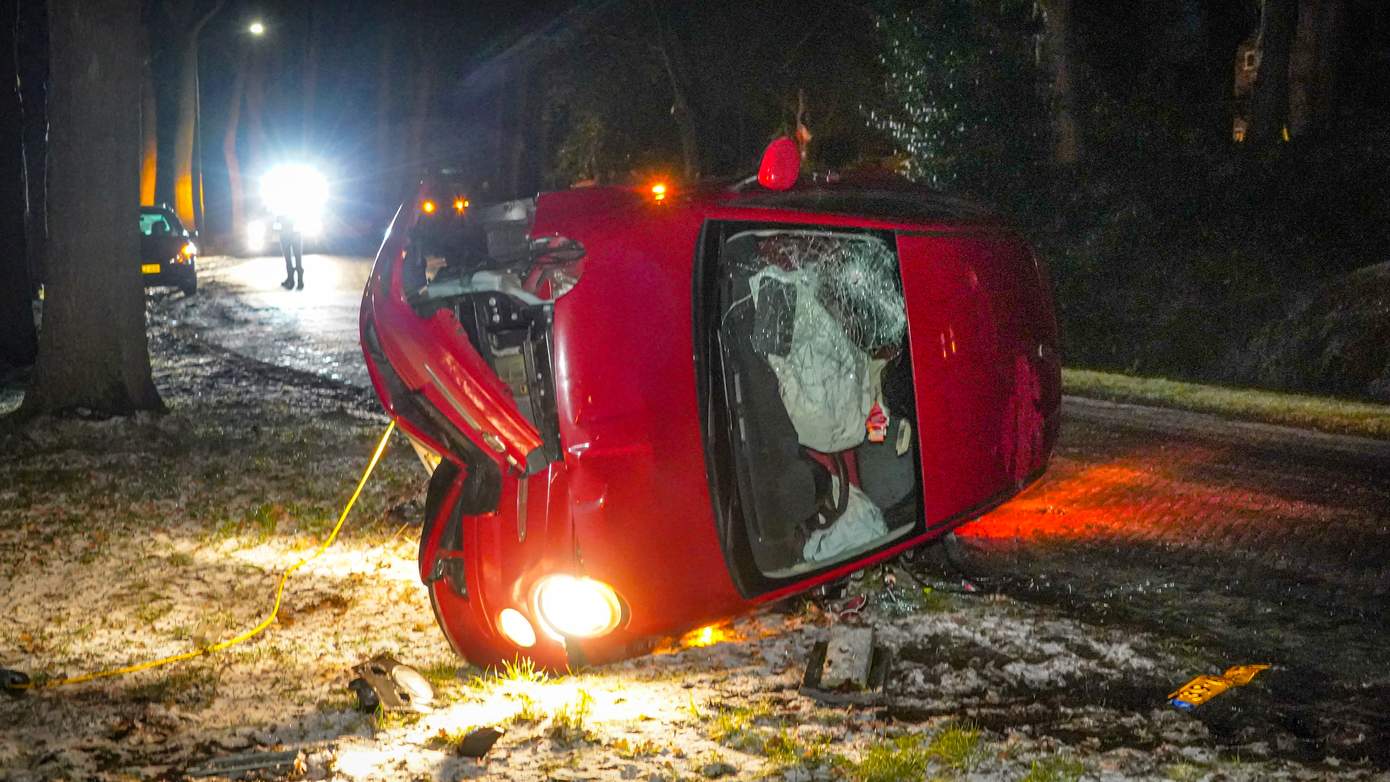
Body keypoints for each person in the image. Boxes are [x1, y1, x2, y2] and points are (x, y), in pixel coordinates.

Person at [278, 215, 303, 289]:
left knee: (289, 258)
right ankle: (298, 281)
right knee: (297, 257)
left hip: (287, 231)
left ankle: (292, 280)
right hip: (294, 231)